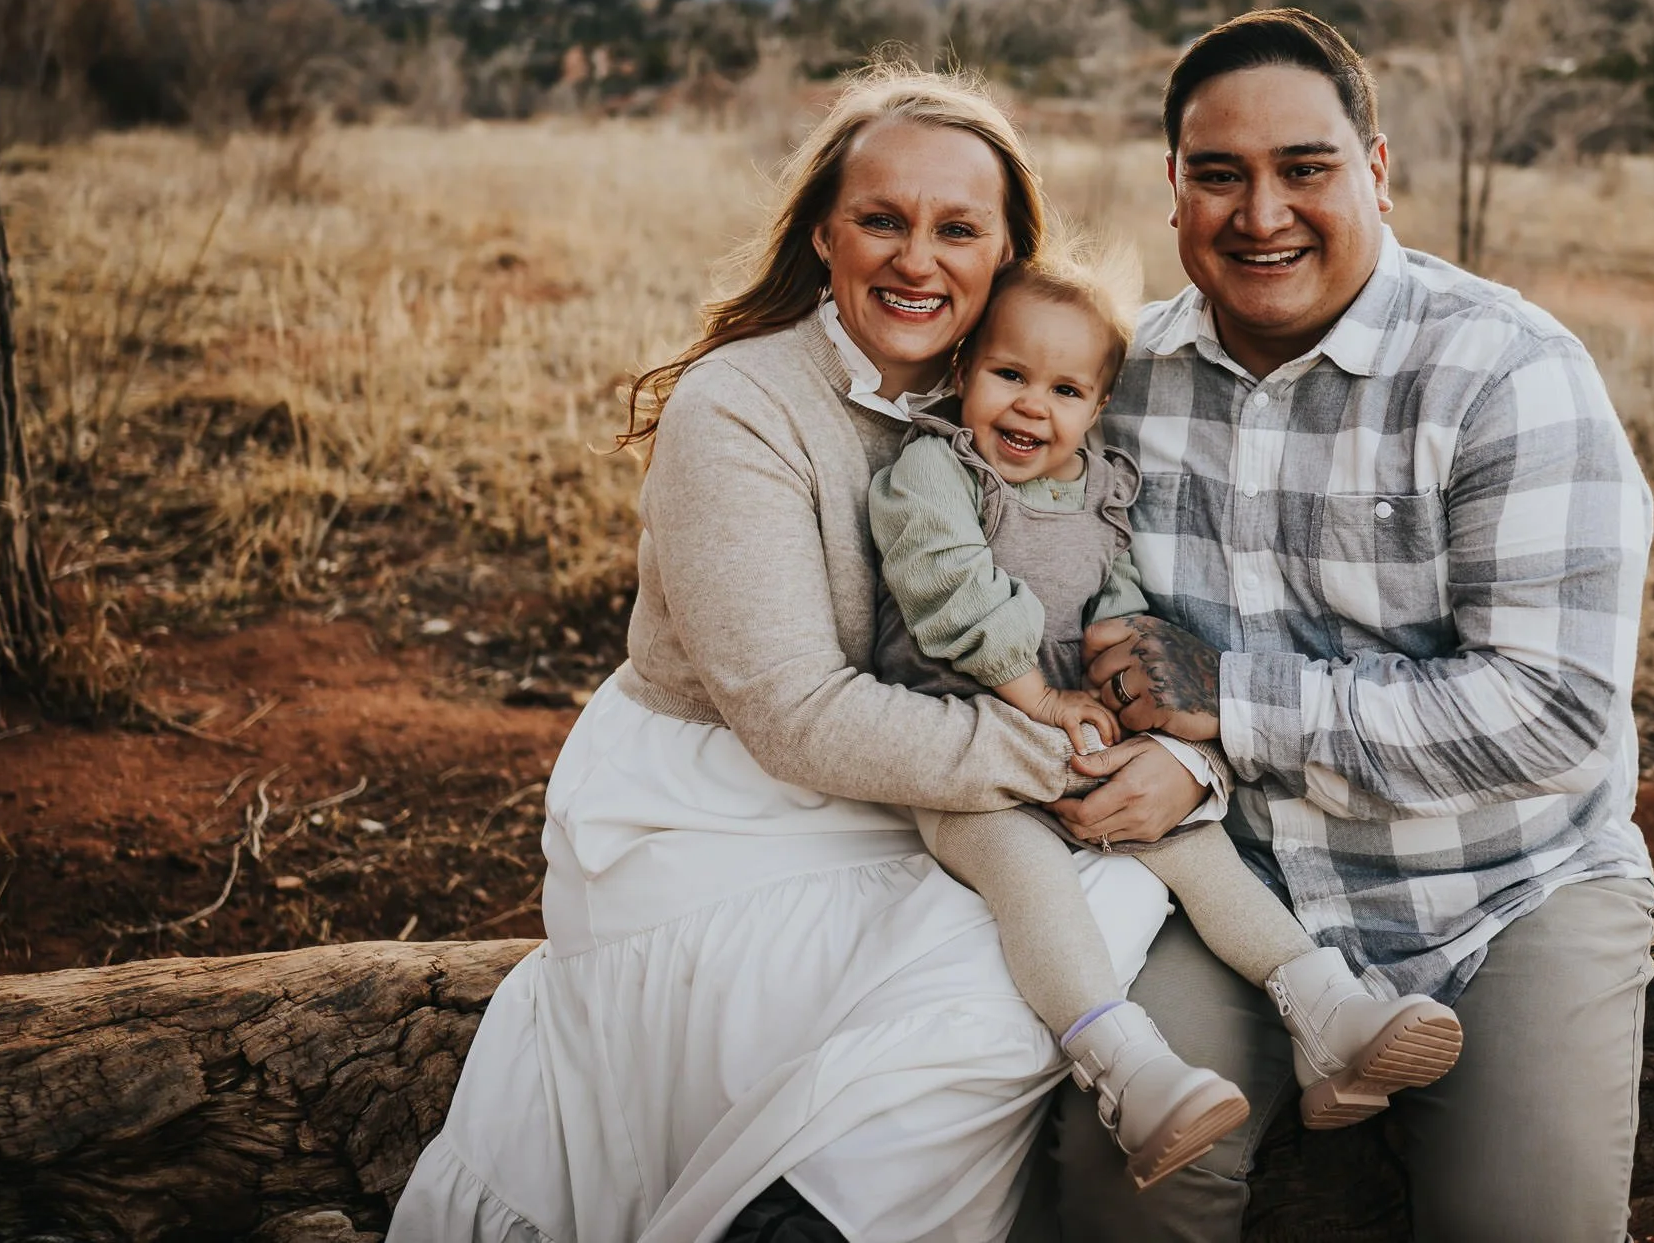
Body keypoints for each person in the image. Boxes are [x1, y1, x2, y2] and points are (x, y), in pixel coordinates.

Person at [389, 65, 1221, 1243]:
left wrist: (1180, 753)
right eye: (881, 220)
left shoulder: (1031, 395)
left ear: (1007, 255)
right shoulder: (740, 406)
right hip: (716, 805)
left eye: (957, 228)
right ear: (825, 233)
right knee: (1005, 951)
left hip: (914, 785)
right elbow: (795, 715)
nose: (915, 259)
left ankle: (817, 1207)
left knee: (1092, 901)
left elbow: (1114, 601)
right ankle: (797, 1219)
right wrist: (1069, 750)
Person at [1050, 10, 1654, 1243]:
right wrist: (1164, 744)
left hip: (1501, 888)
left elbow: (1554, 714)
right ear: (1173, 189)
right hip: (1242, 890)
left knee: (1522, 1225)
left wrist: (1229, 697)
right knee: (1125, 1186)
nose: (1259, 212)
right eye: (1218, 174)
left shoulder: (1509, 374)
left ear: (1375, 171)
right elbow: (1089, 635)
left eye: (1304, 169)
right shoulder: (1124, 385)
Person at [867, 248, 1462, 1193]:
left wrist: (1131, 704)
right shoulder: (934, 472)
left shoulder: (1099, 487)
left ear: (1097, 407)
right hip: (963, 742)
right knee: (1029, 878)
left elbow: (1120, 605)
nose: (1031, 407)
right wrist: (1047, 702)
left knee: (1192, 838)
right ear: (962, 370)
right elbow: (954, 591)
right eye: (1009, 374)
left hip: (1076, 729)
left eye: (1064, 389)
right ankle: (1128, 1070)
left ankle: (1326, 1012)